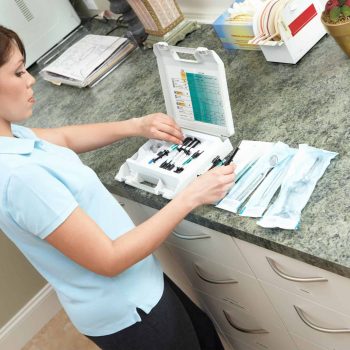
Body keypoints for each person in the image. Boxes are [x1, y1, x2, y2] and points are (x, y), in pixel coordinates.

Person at [0, 25, 235, 350]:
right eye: (18, 71)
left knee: (205, 335)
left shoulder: (11, 138)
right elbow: (109, 260)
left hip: (138, 286)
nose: (31, 79)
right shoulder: (21, 178)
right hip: (129, 310)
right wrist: (189, 197)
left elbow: (65, 139)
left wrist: (135, 126)